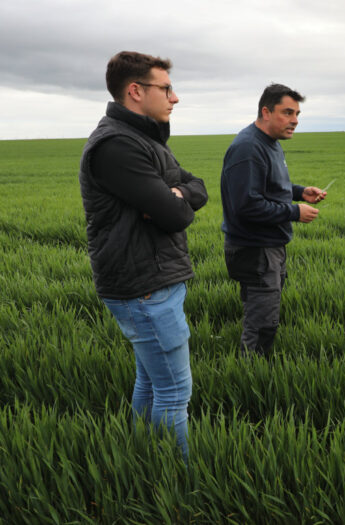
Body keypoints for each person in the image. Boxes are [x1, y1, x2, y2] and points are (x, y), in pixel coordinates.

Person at [78, 51, 208, 462]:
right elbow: (175, 216)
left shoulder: (145, 139)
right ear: (136, 91)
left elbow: (196, 187)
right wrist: (175, 199)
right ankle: (181, 485)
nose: (175, 98)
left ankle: (142, 461)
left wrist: (177, 193)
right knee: (173, 392)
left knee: (152, 383)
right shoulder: (117, 145)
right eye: (166, 88)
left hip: (152, 281)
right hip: (144, 288)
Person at [220, 83, 326, 358]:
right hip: (255, 249)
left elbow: (270, 187)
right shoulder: (248, 148)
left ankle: (257, 368)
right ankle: (251, 379)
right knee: (262, 323)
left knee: (266, 313)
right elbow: (247, 205)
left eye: (298, 114)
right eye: (287, 113)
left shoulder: (270, 144)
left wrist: (301, 192)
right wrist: (294, 211)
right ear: (266, 112)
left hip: (269, 246)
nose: (295, 121)